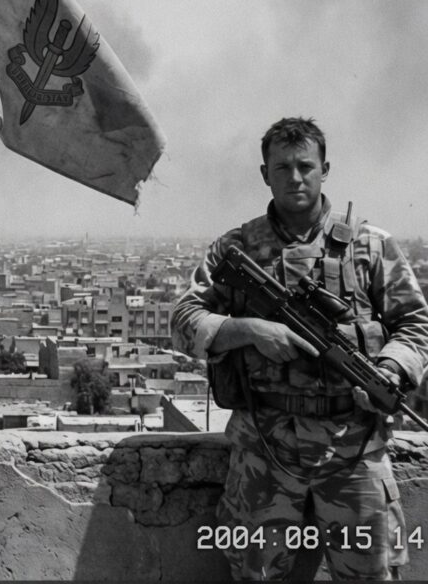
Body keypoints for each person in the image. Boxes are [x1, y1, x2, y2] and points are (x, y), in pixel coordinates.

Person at [171, 117, 428, 581]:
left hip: (354, 446)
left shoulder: (370, 246)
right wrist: (250, 330)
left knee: (371, 575)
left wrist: (391, 369)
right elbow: (183, 321)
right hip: (263, 448)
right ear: (264, 174)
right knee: (256, 575)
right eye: (282, 167)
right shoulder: (235, 248)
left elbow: (415, 323)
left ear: (324, 170)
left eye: (305, 166)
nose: (295, 177)